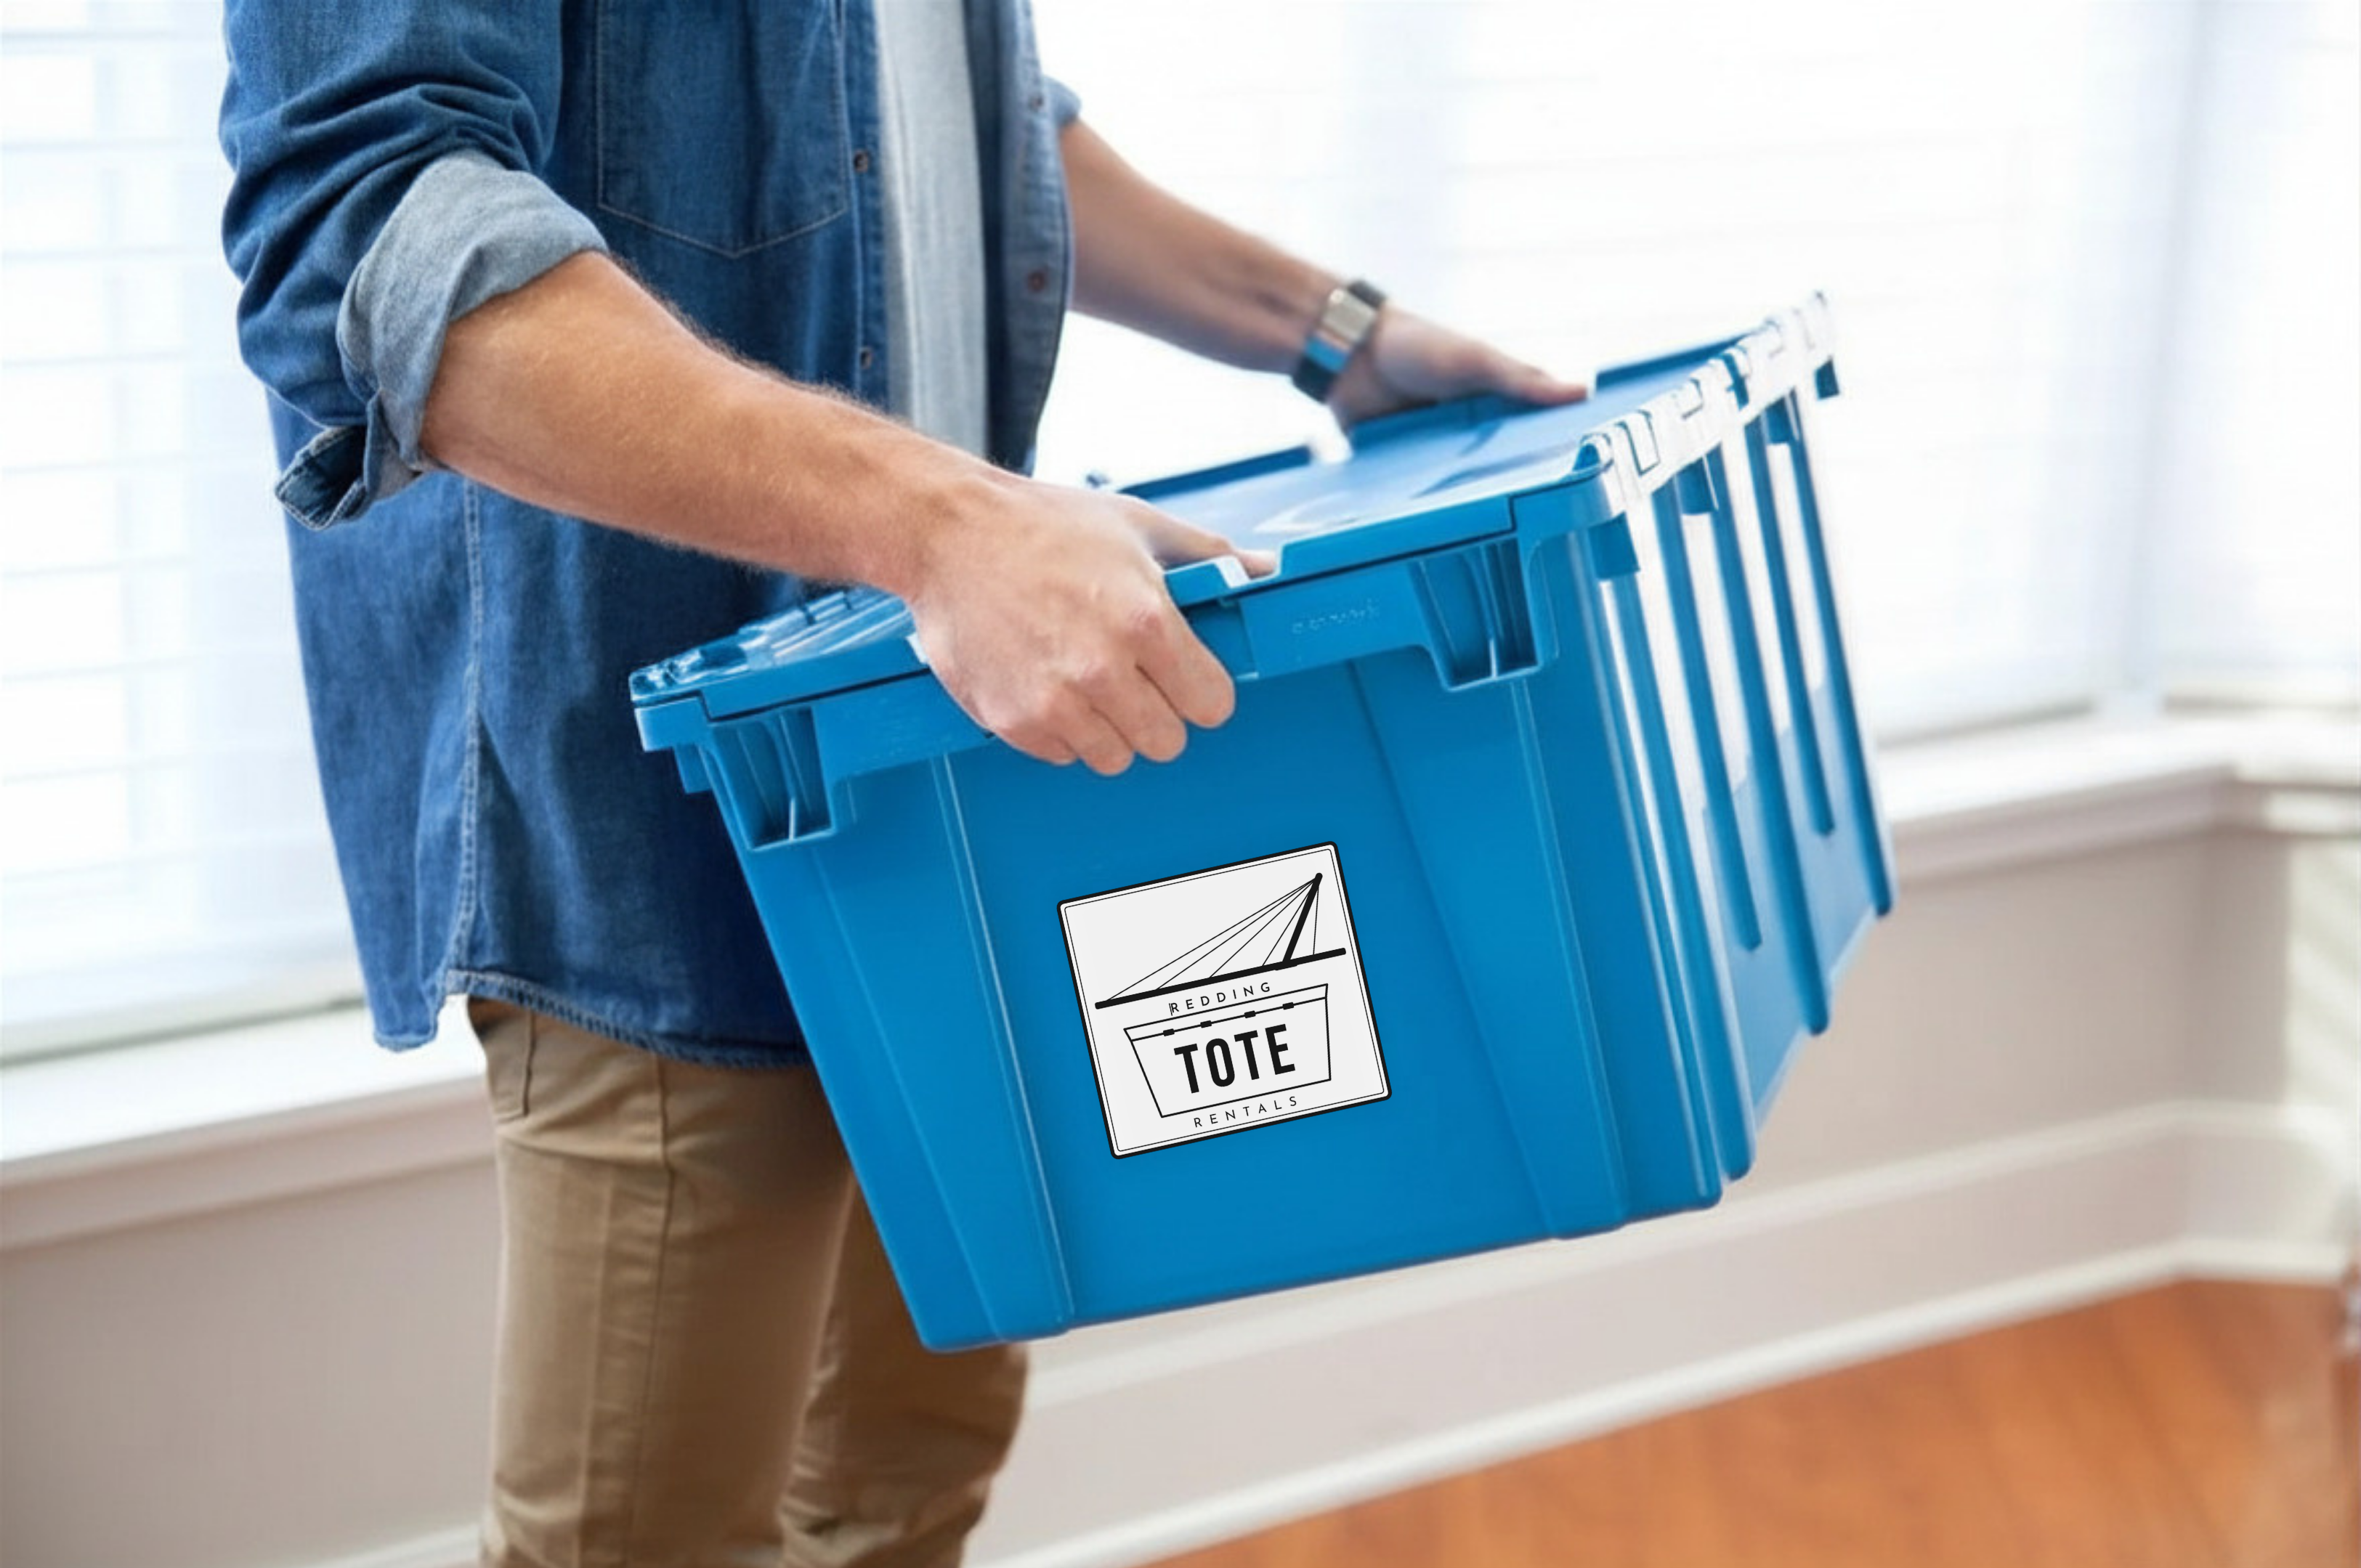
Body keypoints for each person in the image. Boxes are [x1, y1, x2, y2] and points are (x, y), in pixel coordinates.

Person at [219, 3, 1586, 1564]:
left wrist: (1328, 329)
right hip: (659, 816)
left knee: (905, 1483)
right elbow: (367, 222)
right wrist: (941, 528)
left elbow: (960, 124)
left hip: (937, 786)